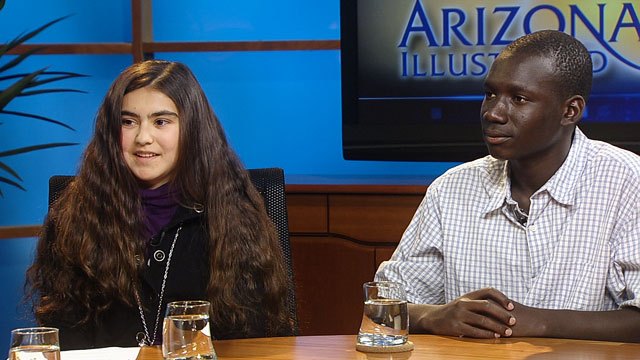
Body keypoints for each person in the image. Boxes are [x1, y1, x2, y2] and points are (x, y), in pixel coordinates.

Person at [375, 30, 640, 342]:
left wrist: (537, 322)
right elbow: (381, 310)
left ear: (570, 111)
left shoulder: (627, 181)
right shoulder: (450, 189)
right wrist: (436, 315)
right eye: (490, 94)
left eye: (519, 99)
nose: (493, 113)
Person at [25, 60, 294, 349]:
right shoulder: (75, 215)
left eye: (161, 121)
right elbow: (63, 338)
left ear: (191, 129)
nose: (143, 138)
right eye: (128, 122)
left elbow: (253, 340)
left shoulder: (234, 215)